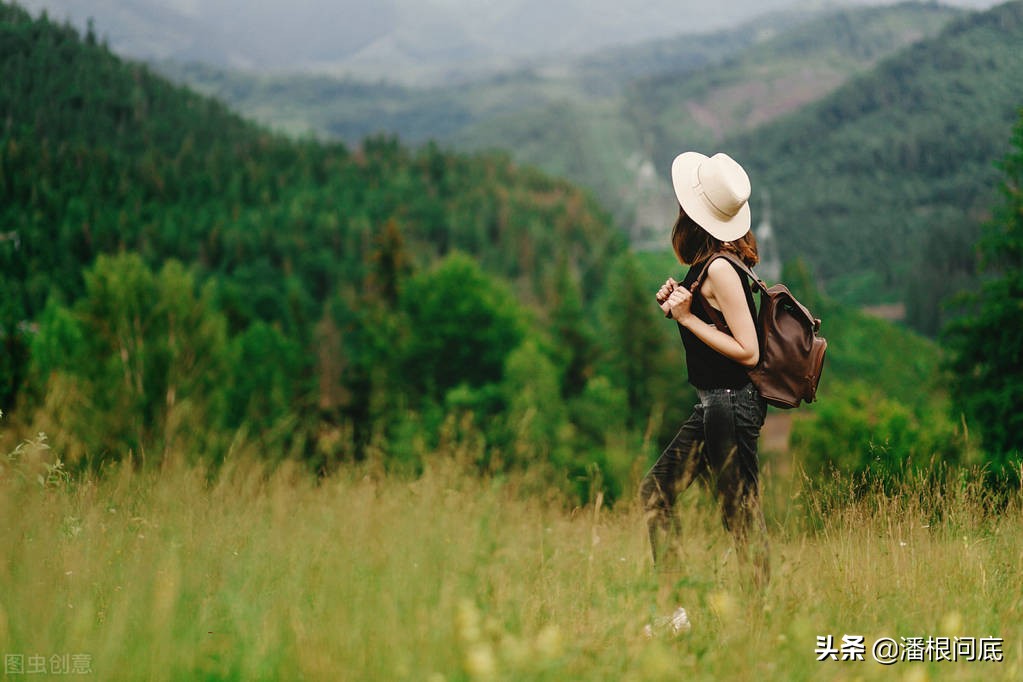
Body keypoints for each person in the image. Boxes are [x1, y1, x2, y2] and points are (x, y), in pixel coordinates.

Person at [640, 151, 770, 595]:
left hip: (731, 405)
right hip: (716, 405)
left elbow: (748, 351)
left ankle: (755, 624)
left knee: (741, 516)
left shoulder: (720, 267)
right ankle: (677, 610)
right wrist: (682, 302)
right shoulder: (712, 262)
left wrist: (688, 319)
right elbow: (713, 318)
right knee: (658, 491)